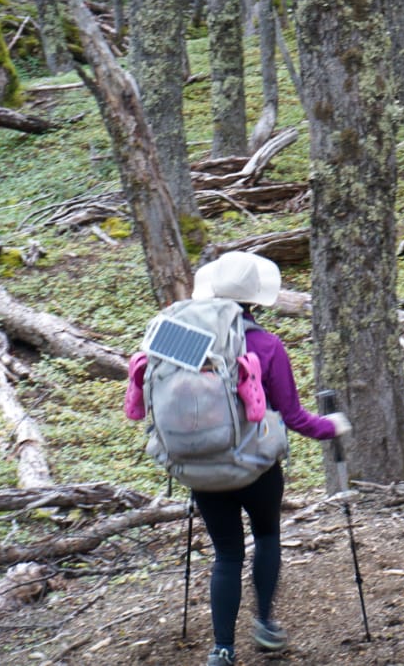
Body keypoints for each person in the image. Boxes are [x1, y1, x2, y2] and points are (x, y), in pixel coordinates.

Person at [127, 252, 351, 666]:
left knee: (227, 554)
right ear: (255, 300)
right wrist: (332, 427)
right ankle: (265, 624)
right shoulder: (265, 344)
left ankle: (222, 649)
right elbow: (296, 417)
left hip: (198, 468)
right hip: (254, 468)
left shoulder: (178, 338)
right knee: (266, 536)